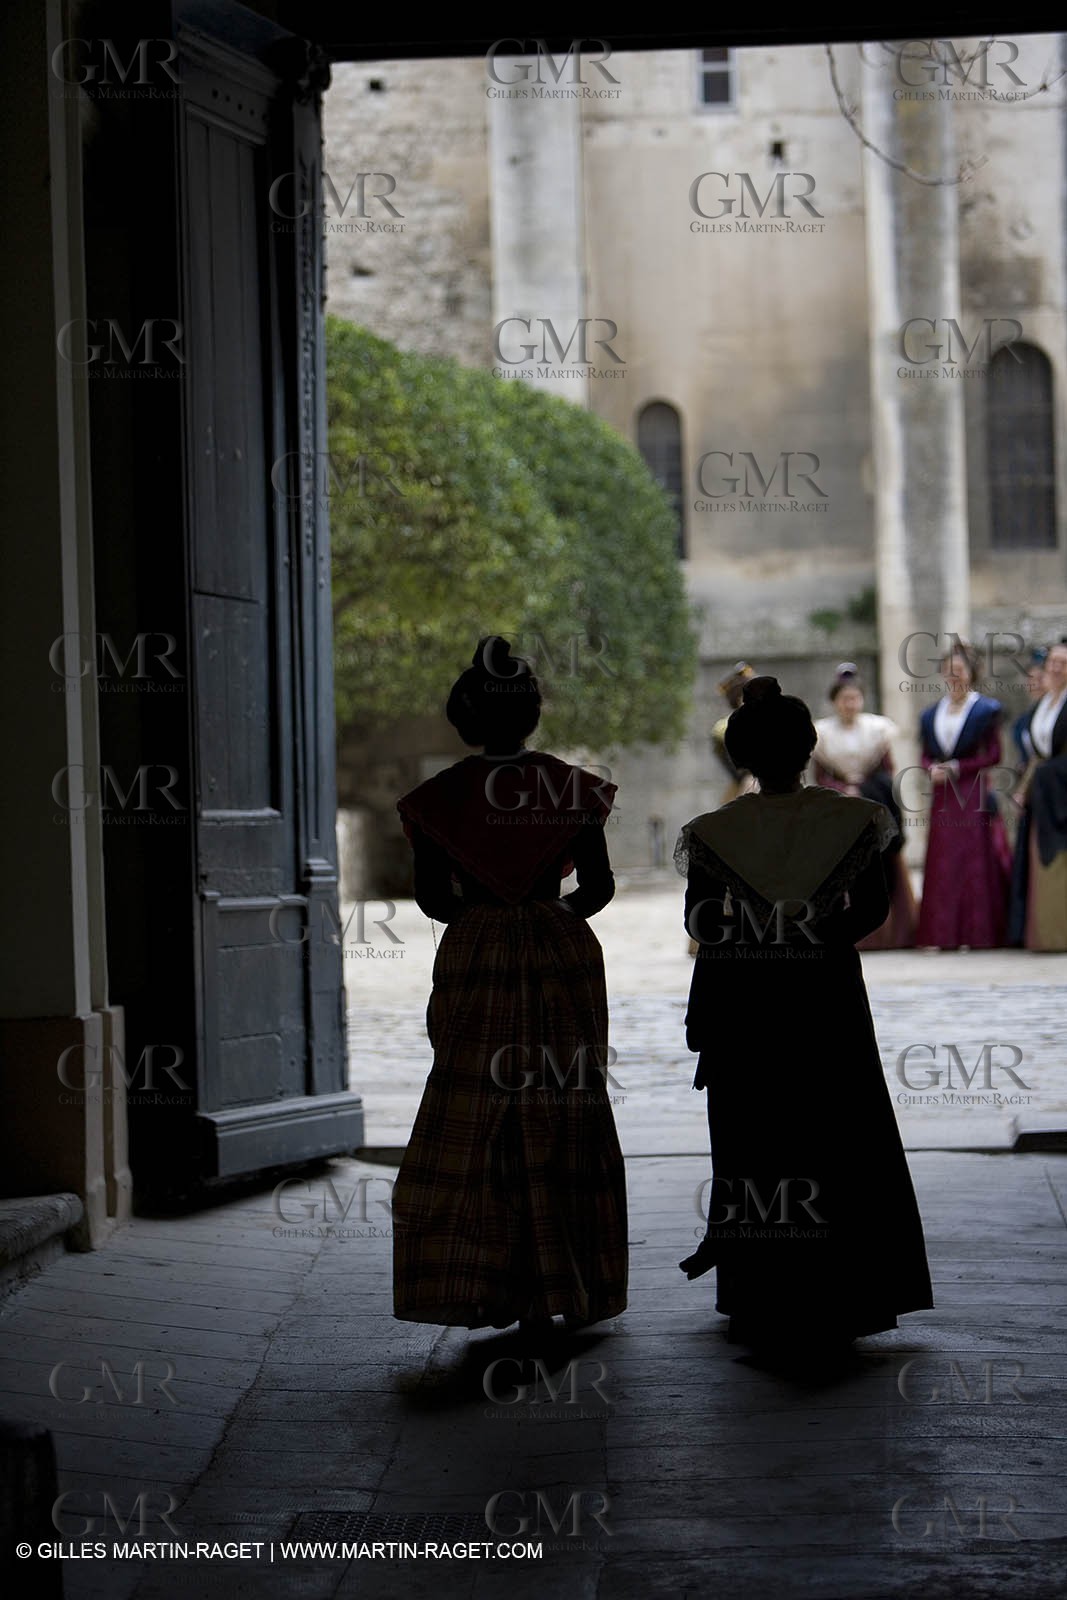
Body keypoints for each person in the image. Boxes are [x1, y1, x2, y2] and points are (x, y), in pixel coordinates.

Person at [676, 676, 933, 1358]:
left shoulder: (715, 832)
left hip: (747, 997)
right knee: (838, 1124)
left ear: (742, 757)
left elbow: (699, 921)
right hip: (824, 990)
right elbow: (871, 910)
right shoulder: (850, 820)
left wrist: (756, 939)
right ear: (808, 747)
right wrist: (814, 934)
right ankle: (848, 1283)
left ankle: (763, 1290)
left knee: (757, 1132)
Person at [391, 636, 628, 1331]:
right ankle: (567, 1282)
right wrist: (546, 918)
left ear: (465, 718)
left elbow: (433, 899)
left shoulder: (439, 799)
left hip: (475, 958)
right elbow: (598, 887)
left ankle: (481, 1282)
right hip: (561, 954)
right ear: (532, 714)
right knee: (566, 1108)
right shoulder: (570, 788)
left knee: (472, 1106)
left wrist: (488, 920)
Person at [812, 663, 916, 949]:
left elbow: (887, 771)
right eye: (844, 699)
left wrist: (864, 789)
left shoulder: (878, 730)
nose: (850, 704)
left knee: (882, 861)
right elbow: (820, 776)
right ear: (835, 701)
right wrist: (843, 790)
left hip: (873, 805)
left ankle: (892, 932)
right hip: (839, 809)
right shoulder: (822, 733)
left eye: (855, 698)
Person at [915, 644, 1012, 950]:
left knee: (972, 859)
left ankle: (977, 933)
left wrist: (958, 767)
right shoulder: (931, 713)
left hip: (972, 792)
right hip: (942, 794)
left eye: (959, 670)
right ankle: (943, 935)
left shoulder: (985, 710)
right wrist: (931, 768)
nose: (953, 676)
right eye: (948, 671)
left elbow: (994, 755)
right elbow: (925, 754)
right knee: (944, 861)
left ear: (971, 673)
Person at [1008, 638, 1067, 950]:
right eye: (1052, 663)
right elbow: (1036, 757)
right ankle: (1044, 934)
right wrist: (1024, 789)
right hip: (1045, 794)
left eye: (1063, 664)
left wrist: (1046, 774)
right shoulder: (1043, 706)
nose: (1056, 669)